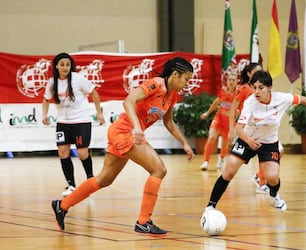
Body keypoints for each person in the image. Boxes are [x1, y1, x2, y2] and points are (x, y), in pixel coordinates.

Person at [51, 57, 195, 234]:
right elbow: (128, 101)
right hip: (124, 131)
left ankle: (62, 205)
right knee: (159, 169)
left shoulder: (172, 95)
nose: (187, 83)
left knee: (104, 179)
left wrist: (185, 144)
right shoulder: (155, 85)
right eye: (186, 79)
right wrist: (137, 128)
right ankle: (144, 221)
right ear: (175, 74)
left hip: (125, 133)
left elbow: (169, 123)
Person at [204, 70, 306, 213]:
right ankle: (210, 206)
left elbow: (303, 99)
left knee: (272, 178)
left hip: (269, 143)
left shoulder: (281, 99)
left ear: (269, 87)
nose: (257, 91)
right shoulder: (250, 103)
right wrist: (249, 140)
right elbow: (239, 129)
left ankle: (274, 194)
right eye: (254, 87)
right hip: (247, 140)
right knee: (228, 172)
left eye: (261, 87)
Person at [42, 52, 105, 197]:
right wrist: (44, 115)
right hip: (63, 122)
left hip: (81, 120)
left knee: (82, 153)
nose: (65, 67)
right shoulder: (52, 82)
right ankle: (71, 185)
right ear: (56, 66)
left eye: (68, 65)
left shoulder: (78, 79)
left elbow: (94, 93)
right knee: (62, 152)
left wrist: (99, 112)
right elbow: (46, 98)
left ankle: (91, 179)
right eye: (62, 65)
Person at [227, 63, 271, 193]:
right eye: (257, 71)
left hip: (260, 127)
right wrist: (231, 129)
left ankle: (259, 177)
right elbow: (233, 109)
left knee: (276, 152)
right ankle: (261, 182)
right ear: (249, 74)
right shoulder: (244, 89)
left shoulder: (263, 90)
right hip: (247, 129)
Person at [199, 71, 237, 171]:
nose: (231, 82)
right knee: (211, 138)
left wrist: (234, 113)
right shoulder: (223, 90)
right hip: (218, 119)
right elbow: (216, 101)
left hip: (228, 123)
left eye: (233, 80)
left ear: (237, 82)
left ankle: (221, 159)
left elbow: (239, 110)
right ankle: (205, 162)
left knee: (224, 144)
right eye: (229, 80)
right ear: (227, 81)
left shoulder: (238, 94)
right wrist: (207, 113)